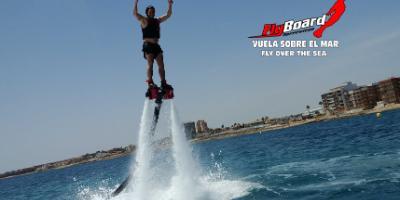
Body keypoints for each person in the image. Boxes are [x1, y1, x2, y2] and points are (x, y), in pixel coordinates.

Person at [133, 0, 173, 90]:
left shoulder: (157, 21)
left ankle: (163, 82)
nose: (152, 13)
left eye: (153, 11)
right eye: (150, 11)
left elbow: (168, 15)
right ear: (147, 13)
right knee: (150, 64)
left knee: (161, 64)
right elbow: (135, 14)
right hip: (148, 45)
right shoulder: (144, 20)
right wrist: (136, 3)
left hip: (156, 46)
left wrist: (170, 5)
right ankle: (150, 82)